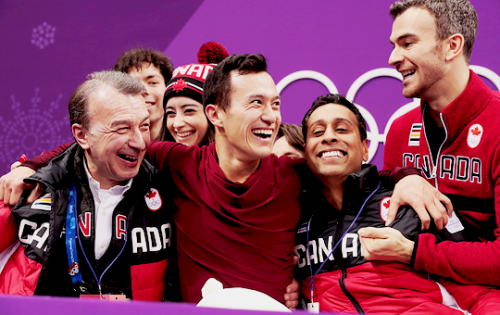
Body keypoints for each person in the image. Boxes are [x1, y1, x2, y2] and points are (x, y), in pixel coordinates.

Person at [359, 0, 500, 299]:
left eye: (407, 43)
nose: (393, 58)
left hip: (486, 294)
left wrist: (413, 252)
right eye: (394, 45)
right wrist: (403, 176)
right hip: (414, 290)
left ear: (452, 47)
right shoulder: (400, 130)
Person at [295, 93, 476, 314]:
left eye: (341, 129)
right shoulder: (293, 218)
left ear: (365, 148)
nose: (329, 137)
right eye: (317, 132)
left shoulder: (413, 199)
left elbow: (475, 284)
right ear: (306, 152)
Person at [0, 71, 173, 300]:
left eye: (144, 126)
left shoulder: (169, 190)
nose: (140, 143)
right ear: (82, 136)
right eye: (122, 128)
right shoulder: (30, 188)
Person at [162, 42, 228, 146]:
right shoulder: (157, 160)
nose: (177, 124)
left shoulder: (249, 160)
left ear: (215, 114)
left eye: (188, 111)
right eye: (171, 113)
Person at [113, 48, 174, 141]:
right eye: (133, 84)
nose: (143, 91)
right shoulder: (110, 148)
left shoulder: (185, 144)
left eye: (153, 82)